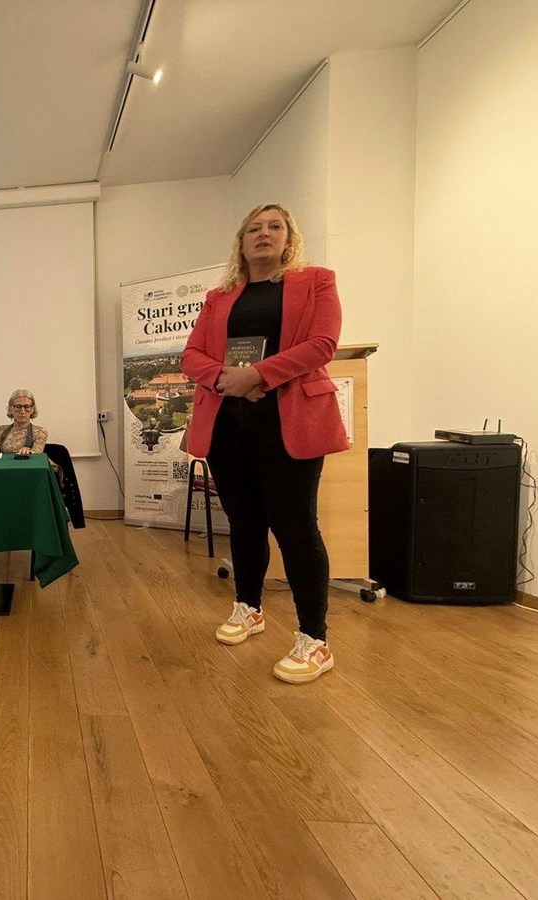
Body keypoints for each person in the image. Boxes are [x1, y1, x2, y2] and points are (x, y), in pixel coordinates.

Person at [181, 203, 348, 684]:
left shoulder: (315, 281)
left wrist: (256, 375)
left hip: (289, 422)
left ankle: (314, 640)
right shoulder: (219, 297)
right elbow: (191, 355)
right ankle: (248, 608)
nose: (264, 233)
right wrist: (227, 379)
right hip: (228, 423)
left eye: (275, 226)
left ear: (288, 238)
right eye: (253, 228)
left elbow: (322, 344)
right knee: (244, 522)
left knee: (296, 528)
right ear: (241, 242)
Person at [0, 389, 47, 457]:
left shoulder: (40, 432)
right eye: (18, 407)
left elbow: (37, 457)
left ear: (32, 410)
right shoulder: (0, 430)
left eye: (27, 407)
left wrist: (29, 451)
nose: (22, 411)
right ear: (10, 409)